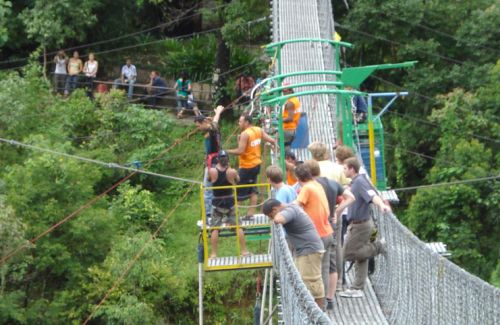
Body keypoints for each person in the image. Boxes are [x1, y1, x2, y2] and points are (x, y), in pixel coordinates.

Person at [303, 160, 355, 309]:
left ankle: (316, 301)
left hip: (315, 229)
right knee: (330, 263)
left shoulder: (310, 187)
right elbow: (351, 197)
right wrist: (338, 211)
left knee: (315, 265)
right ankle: (329, 298)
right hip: (331, 226)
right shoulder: (333, 183)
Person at [339, 157, 390, 298]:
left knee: (348, 254)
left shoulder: (360, 182)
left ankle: (378, 247)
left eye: (344, 168)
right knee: (361, 256)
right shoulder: (356, 182)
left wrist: (381, 205)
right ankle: (357, 287)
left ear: (351, 169)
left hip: (360, 225)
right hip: (359, 223)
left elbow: (372, 195)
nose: (343, 170)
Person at [263, 199, 325, 309]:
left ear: (275, 209)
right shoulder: (291, 207)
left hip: (309, 250)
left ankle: (318, 313)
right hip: (304, 251)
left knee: (312, 282)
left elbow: (278, 219)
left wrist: (275, 218)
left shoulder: (290, 210)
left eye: (270, 215)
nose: (271, 219)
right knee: (302, 280)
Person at [293, 163, 334, 308]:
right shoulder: (317, 185)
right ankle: (325, 303)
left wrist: (281, 210)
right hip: (327, 231)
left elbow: (296, 206)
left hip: (316, 236)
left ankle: (313, 305)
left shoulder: (307, 188)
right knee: (324, 269)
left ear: (298, 177)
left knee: (312, 274)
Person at [226, 114, 276, 217]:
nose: (238, 123)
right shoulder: (258, 130)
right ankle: (250, 214)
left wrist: (226, 151)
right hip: (256, 164)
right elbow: (271, 140)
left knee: (239, 191)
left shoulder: (245, 134)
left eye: (240, 121)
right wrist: (275, 146)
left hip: (247, 166)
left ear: (246, 122)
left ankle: (234, 217)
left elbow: (240, 151)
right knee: (253, 190)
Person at [208, 150, 250, 258]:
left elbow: (210, 180)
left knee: (215, 228)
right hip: (230, 201)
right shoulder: (232, 171)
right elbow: (237, 180)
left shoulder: (212, 171)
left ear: (217, 159)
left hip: (217, 201)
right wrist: (231, 171)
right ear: (228, 160)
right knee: (238, 226)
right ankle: (244, 251)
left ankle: (214, 254)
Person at [194, 106, 224, 218]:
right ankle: (215, 211)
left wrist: (218, 112)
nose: (198, 128)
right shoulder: (212, 131)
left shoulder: (212, 130)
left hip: (213, 165)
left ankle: (208, 215)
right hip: (215, 163)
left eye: (198, 126)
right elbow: (214, 123)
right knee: (214, 190)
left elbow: (215, 123)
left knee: (208, 190)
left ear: (204, 123)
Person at [282, 83, 301, 147]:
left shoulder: (290, 103)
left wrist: (279, 121)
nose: (283, 93)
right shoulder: (295, 99)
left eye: (285, 91)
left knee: (283, 149)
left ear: (290, 91)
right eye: (282, 91)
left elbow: (290, 118)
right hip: (293, 128)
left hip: (287, 129)